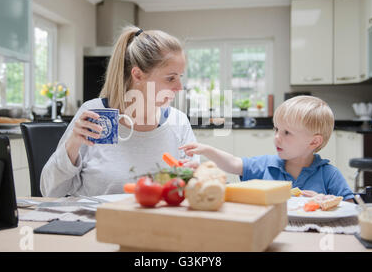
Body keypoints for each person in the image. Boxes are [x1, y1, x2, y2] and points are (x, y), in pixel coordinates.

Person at [41, 26, 199, 197]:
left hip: (157, 222)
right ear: (138, 75)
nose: (179, 88)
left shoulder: (178, 122)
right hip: (95, 221)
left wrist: (194, 178)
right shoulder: (95, 114)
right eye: (170, 78)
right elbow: (49, 191)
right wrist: (72, 145)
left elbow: (193, 191)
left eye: (180, 77)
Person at [180, 96, 354, 201]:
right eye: (276, 129)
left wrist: (326, 200)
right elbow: (233, 163)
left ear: (314, 142)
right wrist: (207, 150)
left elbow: (351, 207)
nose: (277, 137)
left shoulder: (329, 174)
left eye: (287, 133)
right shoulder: (266, 165)